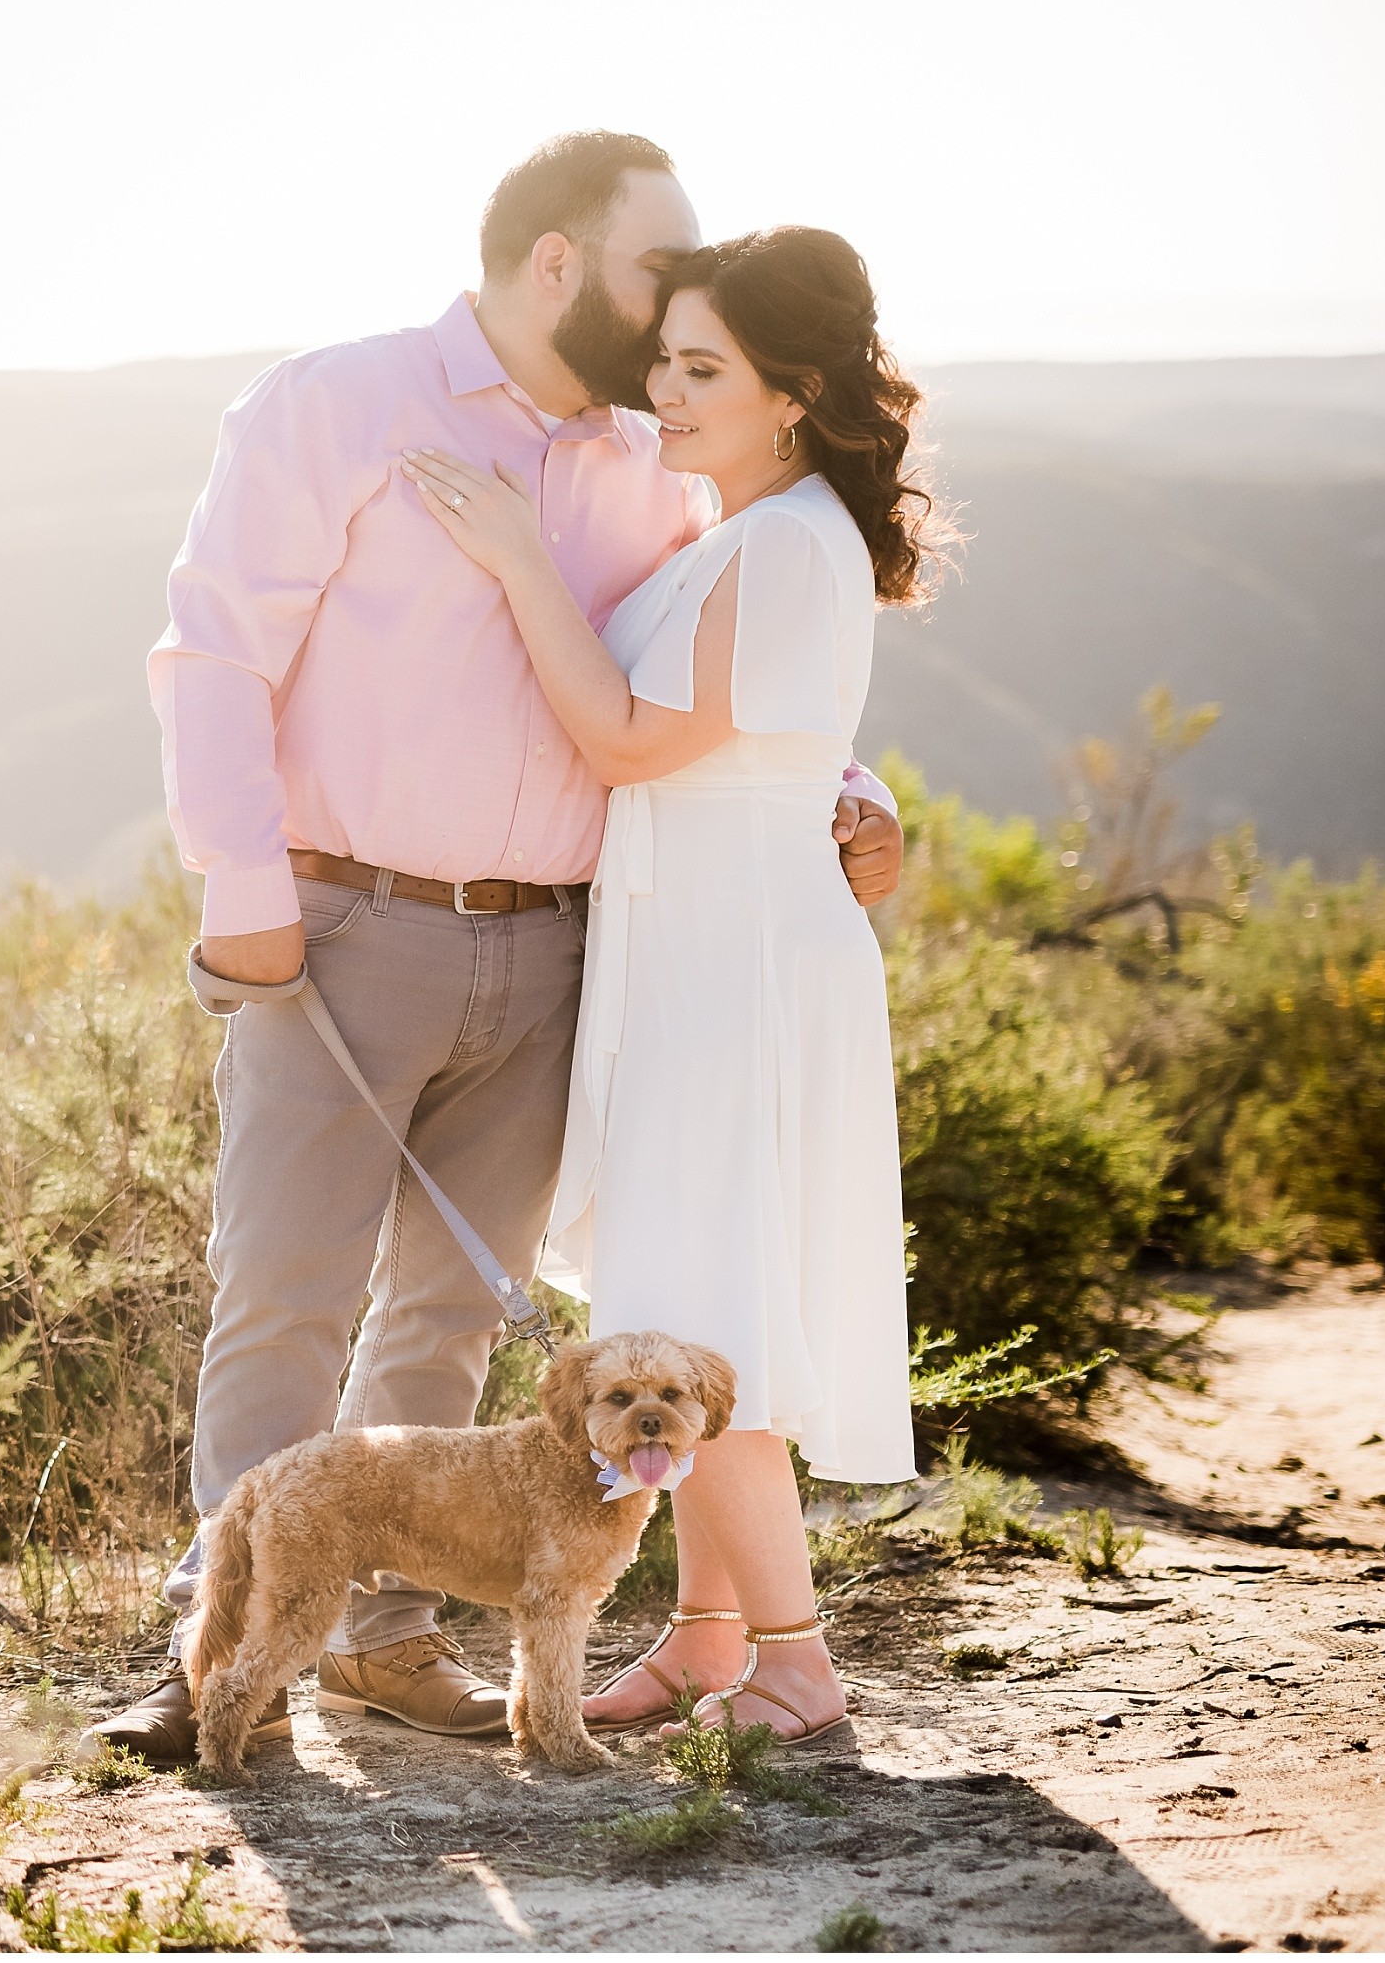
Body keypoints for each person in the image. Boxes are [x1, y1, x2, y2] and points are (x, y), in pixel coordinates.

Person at [104, 138, 904, 1770]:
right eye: (654, 271)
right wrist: (241, 882)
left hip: (564, 953)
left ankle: (383, 1643)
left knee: (457, 1313)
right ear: (556, 262)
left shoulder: (658, 452)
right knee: (284, 1300)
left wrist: (851, 782)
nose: (678, 310)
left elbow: (743, 654)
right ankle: (215, 1650)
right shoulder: (335, 402)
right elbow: (211, 647)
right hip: (343, 924)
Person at [406, 224, 937, 1748]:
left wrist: (516, 559)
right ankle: (707, 1636)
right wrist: (859, 790)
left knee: (714, 1317)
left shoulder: (779, 540)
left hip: (735, 965)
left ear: (796, 392)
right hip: (712, 941)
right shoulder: (757, 530)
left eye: (704, 369)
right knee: (690, 1288)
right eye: (666, 362)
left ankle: (793, 1665)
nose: (667, 392)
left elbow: (637, 745)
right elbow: (775, 740)